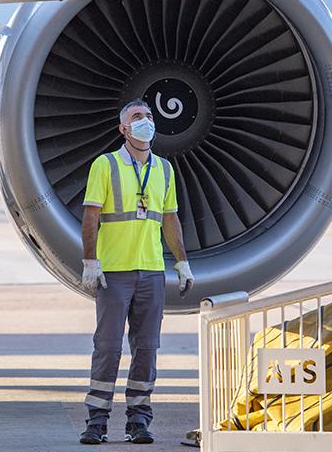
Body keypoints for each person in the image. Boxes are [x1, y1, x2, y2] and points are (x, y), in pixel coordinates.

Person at [77, 98, 194, 445]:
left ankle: (139, 420)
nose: (145, 121)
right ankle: (97, 421)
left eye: (149, 116)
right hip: (114, 272)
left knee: (147, 349)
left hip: (151, 271)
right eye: (137, 117)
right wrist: (90, 261)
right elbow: (91, 215)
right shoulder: (106, 165)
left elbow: (169, 219)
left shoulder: (164, 169)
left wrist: (182, 261)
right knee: (108, 348)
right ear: (123, 128)